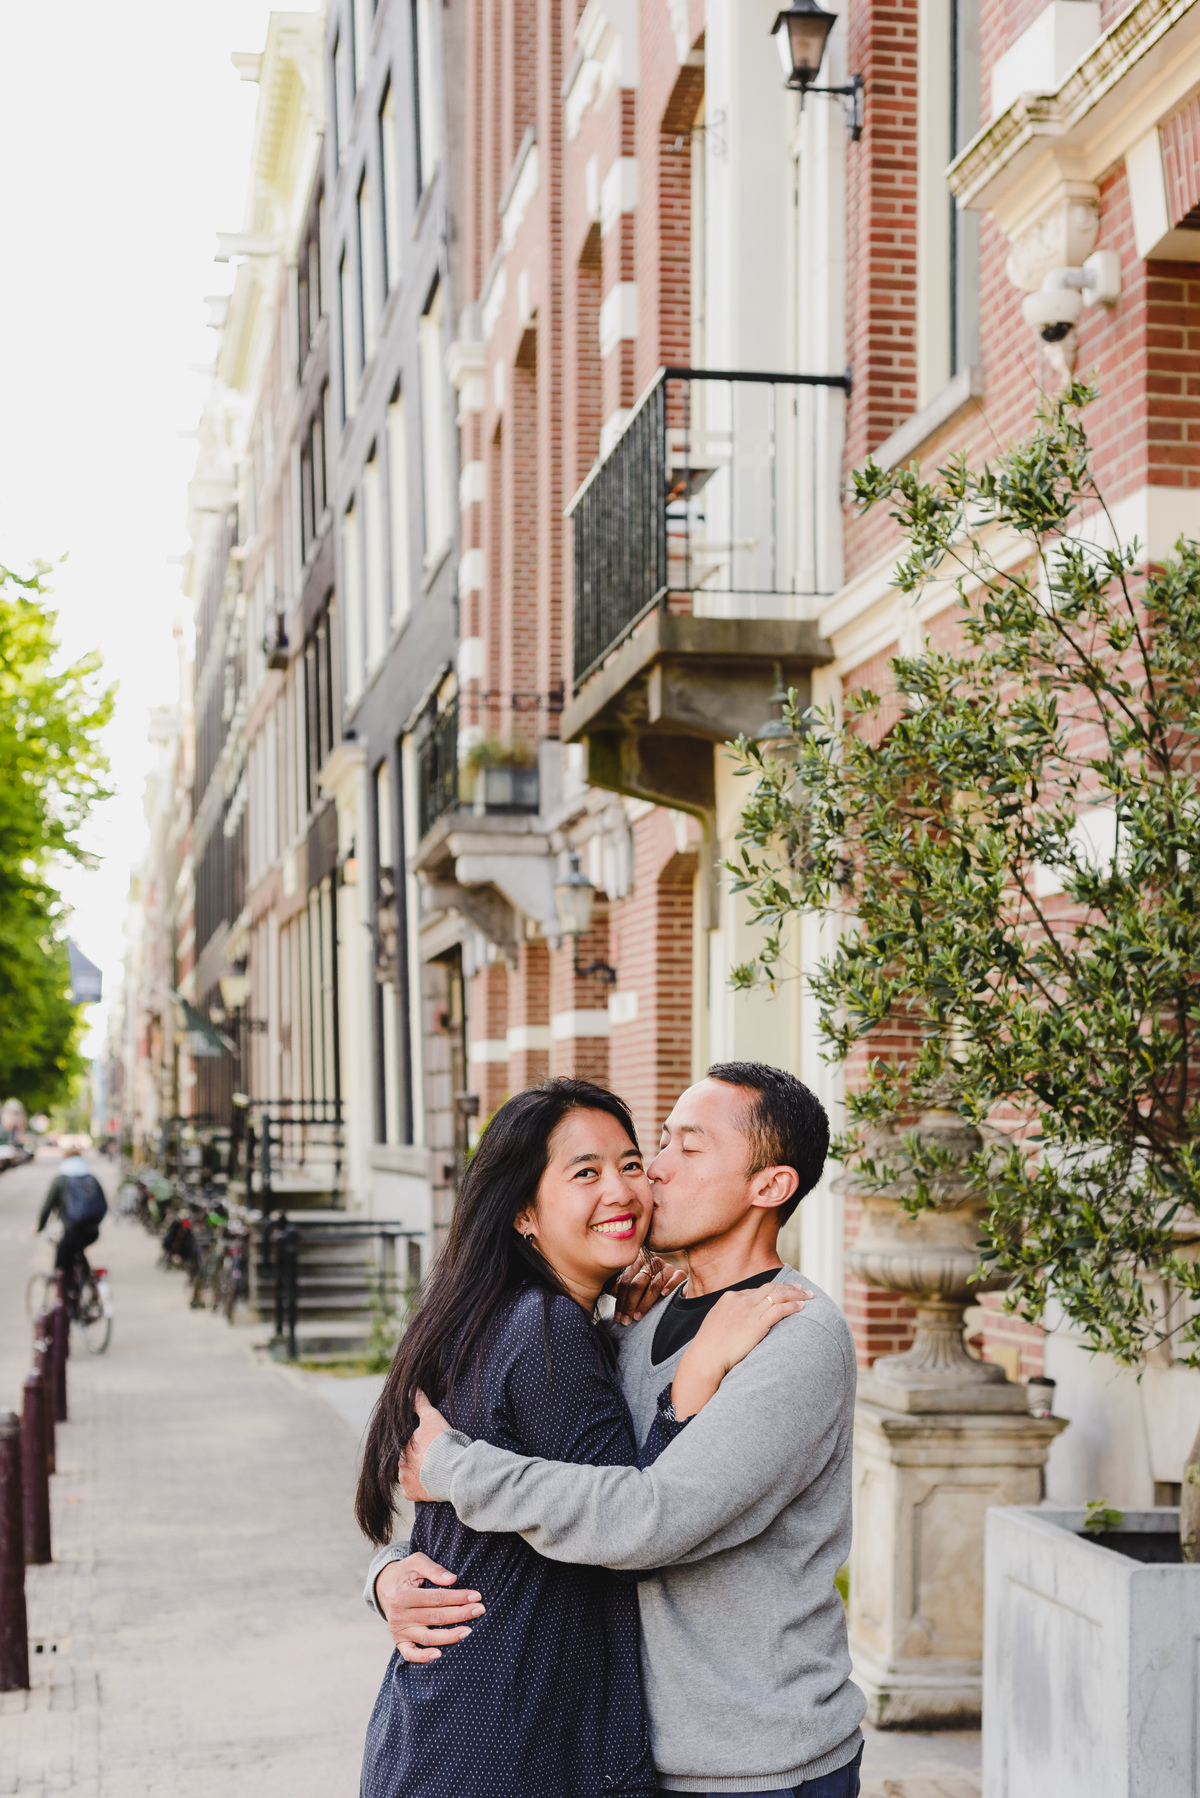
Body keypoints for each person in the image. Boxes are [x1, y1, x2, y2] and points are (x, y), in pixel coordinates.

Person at [371, 1062, 865, 1798]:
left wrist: (451, 1469)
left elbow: (648, 1518)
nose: (651, 1175)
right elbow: (544, 1470)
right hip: (622, 1751)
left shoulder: (793, 1335)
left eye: (684, 1151)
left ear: (769, 1187)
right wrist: (391, 1572)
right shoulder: (635, 1318)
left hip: (754, 1761)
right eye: (656, 1146)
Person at [33, 1152, 108, 1295]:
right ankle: (85, 1282)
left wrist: (39, 1227)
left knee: (61, 1264)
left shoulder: (60, 1179)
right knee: (77, 1251)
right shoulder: (91, 1178)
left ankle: (65, 1299)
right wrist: (93, 1222)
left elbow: (47, 1207)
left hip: (72, 1230)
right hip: (92, 1231)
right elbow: (103, 1205)